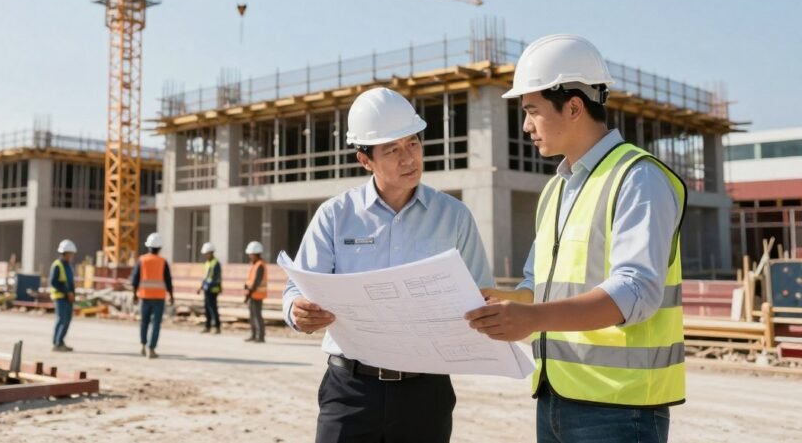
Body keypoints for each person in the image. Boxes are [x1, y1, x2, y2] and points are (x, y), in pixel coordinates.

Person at [465, 35, 686, 443]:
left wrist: (531, 319)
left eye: (532, 110)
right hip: (557, 396)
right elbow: (540, 288)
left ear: (573, 107)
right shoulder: (557, 189)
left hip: (621, 409)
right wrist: (494, 300)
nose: (526, 125)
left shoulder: (638, 177)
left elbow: (636, 292)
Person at [283, 86, 493, 443]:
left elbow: (481, 296)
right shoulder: (335, 216)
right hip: (350, 391)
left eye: (412, 143)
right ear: (365, 160)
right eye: (392, 149)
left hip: (425, 392)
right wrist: (296, 311)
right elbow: (295, 290)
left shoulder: (454, 217)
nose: (408, 158)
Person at [131, 232, 175, 358]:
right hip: (159, 298)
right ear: (160, 248)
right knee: (156, 324)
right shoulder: (163, 261)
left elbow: (135, 279)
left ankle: (143, 346)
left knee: (144, 322)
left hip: (144, 296)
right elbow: (168, 280)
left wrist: (134, 295)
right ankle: (151, 348)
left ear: (148, 246)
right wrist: (171, 296)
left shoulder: (142, 260)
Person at [50, 240, 78, 352]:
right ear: (65, 253)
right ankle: (57, 343)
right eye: (70, 254)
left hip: (68, 298)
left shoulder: (68, 266)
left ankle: (60, 341)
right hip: (60, 297)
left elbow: (70, 282)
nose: (71, 256)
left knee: (67, 320)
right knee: (62, 319)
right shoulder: (57, 265)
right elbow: (54, 282)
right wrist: (67, 292)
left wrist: (72, 294)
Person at [243, 241, 267, 343]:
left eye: (250, 254)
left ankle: (260, 336)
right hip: (253, 294)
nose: (249, 256)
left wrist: (248, 294)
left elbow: (257, 282)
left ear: (256, 254)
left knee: (257, 316)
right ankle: (253, 335)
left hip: (257, 294)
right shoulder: (255, 264)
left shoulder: (260, 265)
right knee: (252, 316)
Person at [197, 242, 223, 334]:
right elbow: (205, 276)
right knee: (207, 308)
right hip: (206, 289)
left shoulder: (216, 263)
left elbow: (216, 277)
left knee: (213, 308)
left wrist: (209, 285)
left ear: (211, 252)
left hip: (213, 289)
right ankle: (207, 326)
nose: (206, 255)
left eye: (207, 253)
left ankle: (216, 326)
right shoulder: (207, 263)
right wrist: (201, 286)